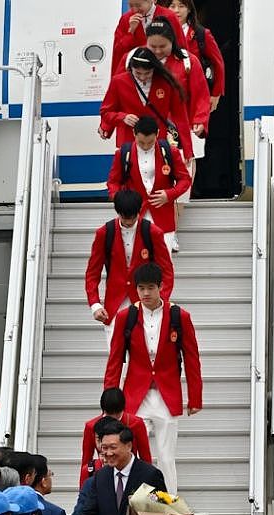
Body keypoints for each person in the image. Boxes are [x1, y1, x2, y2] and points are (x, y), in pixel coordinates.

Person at [104, 263, 203, 493]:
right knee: (134, 455)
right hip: (135, 397)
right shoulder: (125, 317)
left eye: (150, 287)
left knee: (167, 458)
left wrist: (195, 398)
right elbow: (115, 360)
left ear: (161, 287)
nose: (146, 293)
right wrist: (110, 400)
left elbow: (192, 358)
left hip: (167, 396)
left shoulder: (180, 316)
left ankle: (170, 510)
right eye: (141, 288)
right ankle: (136, 505)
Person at [85, 188, 174, 345]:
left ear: (139, 211)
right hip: (113, 307)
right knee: (116, 360)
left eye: (132, 218)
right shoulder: (104, 233)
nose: (128, 222)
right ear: (117, 212)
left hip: (146, 304)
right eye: (124, 217)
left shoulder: (153, 232)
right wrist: (95, 304)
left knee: (143, 360)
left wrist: (160, 300)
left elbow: (167, 271)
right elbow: (92, 273)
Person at [107, 116, 191, 253]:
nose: (145, 146)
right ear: (134, 134)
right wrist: (121, 202)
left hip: (163, 215)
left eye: (150, 142)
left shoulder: (170, 152)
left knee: (164, 264)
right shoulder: (123, 153)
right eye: (141, 142)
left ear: (157, 134)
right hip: (134, 216)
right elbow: (113, 182)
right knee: (136, 265)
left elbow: (185, 180)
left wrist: (169, 194)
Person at [99, 47, 193, 162]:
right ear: (130, 68)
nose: (143, 77)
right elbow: (105, 112)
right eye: (138, 73)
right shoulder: (118, 82)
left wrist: (188, 151)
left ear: (154, 68)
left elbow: (180, 117)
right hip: (128, 143)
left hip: (159, 142)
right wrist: (122, 117)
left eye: (147, 73)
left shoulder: (166, 82)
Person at [144, 17, 211, 165]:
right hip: (146, 132)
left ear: (173, 41)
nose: (157, 51)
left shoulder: (188, 61)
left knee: (183, 180)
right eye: (152, 46)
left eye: (162, 46)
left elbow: (201, 94)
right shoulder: (138, 61)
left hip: (180, 131)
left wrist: (200, 120)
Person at [80, 388, 152, 486]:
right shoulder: (92, 426)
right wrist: (83, 490)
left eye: (117, 414)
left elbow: (146, 458)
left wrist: (148, 486)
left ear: (123, 408)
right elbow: (86, 461)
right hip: (104, 473)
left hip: (130, 474)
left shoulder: (136, 423)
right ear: (103, 410)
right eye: (109, 414)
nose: (113, 418)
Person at [169, 0, 225, 112]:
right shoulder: (160, 31)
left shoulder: (201, 34)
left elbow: (218, 64)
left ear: (189, 9)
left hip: (195, 93)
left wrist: (216, 94)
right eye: (172, 6)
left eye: (181, 6)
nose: (176, 10)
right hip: (167, 92)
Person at [112, 0, 186, 73]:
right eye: (131, 6)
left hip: (164, 70)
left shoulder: (169, 16)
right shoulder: (126, 19)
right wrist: (130, 32)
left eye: (138, 5)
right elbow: (118, 52)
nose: (134, 9)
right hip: (137, 72)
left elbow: (181, 47)